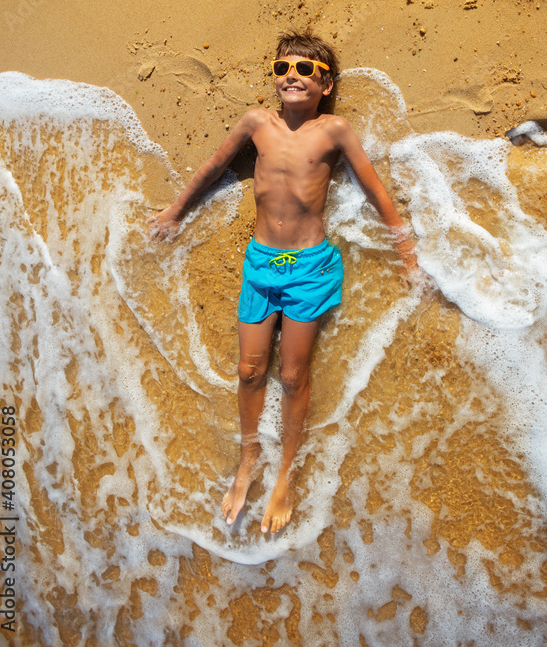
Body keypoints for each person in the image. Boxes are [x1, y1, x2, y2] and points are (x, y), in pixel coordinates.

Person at [148, 30, 418, 535]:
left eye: (305, 70)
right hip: (261, 264)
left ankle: (285, 479)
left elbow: (376, 191)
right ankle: (247, 463)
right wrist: (175, 210)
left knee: (293, 376)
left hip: (310, 267)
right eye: (282, 68)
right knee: (250, 370)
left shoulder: (335, 130)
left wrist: (407, 253)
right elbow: (213, 167)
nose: (291, 75)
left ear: (326, 83)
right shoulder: (256, 123)